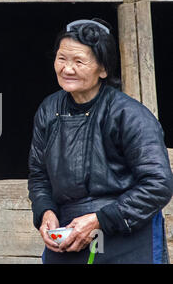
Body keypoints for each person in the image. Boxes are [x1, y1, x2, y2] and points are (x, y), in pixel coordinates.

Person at [28, 18, 173, 263]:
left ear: (103, 69)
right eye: (62, 59)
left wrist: (99, 220)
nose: (67, 69)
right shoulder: (49, 110)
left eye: (79, 61)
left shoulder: (129, 115)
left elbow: (158, 185)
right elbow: (39, 174)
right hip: (70, 233)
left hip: (125, 234)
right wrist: (45, 212)